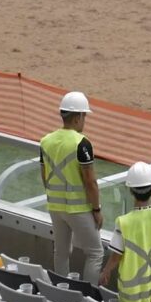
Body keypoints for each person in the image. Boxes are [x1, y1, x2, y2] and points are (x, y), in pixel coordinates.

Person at [39, 91, 104, 283]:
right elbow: (90, 182)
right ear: (78, 117)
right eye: (84, 116)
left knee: (61, 251)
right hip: (78, 209)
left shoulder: (46, 141)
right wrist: (96, 209)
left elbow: (44, 176)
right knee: (95, 252)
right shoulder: (82, 143)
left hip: (55, 207)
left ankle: (61, 291)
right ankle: (90, 297)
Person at [99, 162, 151, 302]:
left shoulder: (124, 222)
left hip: (129, 292)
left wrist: (106, 271)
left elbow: (116, 256)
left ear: (131, 191)